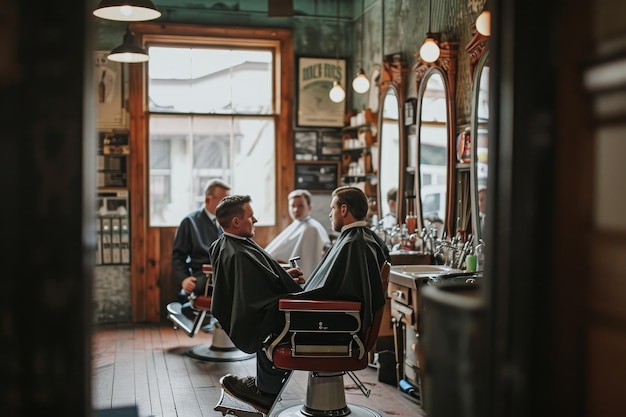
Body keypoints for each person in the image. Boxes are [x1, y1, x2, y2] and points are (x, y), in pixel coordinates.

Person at [209, 186, 388, 413]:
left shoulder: (354, 243)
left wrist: (296, 299)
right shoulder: (360, 239)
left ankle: (264, 392)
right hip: (341, 321)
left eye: (332, 208)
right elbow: (337, 287)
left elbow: (338, 291)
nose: (330, 214)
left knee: (272, 318)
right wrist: (292, 287)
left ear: (344, 209)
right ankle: (263, 390)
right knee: (273, 313)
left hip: (342, 328)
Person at [171, 179, 231, 322]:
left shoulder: (229, 222)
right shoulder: (190, 222)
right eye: (224, 200)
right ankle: (188, 307)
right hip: (202, 275)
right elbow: (178, 256)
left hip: (226, 273)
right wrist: (184, 279)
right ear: (207, 199)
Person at [264, 189, 330, 278]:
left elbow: (308, 263)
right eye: (292, 206)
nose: (295, 209)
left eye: (300, 206)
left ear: (310, 207)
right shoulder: (296, 224)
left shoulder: (311, 228)